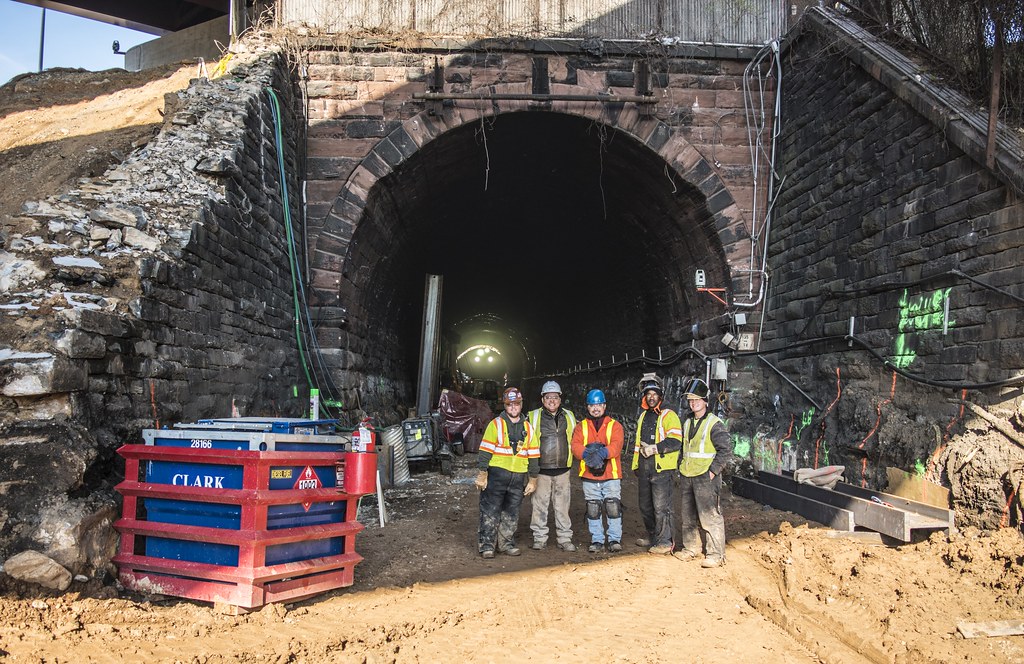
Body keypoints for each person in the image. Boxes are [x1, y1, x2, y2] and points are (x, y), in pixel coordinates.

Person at [475, 386, 540, 558]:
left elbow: (533, 454)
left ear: (521, 405)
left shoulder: (528, 428)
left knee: (511, 513)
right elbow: (485, 451)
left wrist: (533, 479)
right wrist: (483, 473)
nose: (513, 408)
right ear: (505, 406)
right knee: (490, 511)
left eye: (516, 404)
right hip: (497, 475)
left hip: (518, 477)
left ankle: (506, 543)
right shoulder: (495, 424)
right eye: (510, 404)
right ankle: (487, 546)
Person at [674, 378, 732, 568]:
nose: (693, 403)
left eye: (697, 400)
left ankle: (716, 554)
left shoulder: (714, 424)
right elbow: (685, 448)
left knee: (710, 517)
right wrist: (680, 467)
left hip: (706, 477)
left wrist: (713, 472)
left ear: (705, 401)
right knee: (688, 516)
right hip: (688, 475)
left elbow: (725, 450)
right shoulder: (687, 422)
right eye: (690, 400)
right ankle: (691, 548)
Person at [631, 376, 682, 554]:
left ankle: (665, 542)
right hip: (644, 468)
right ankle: (653, 536)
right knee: (646, 506)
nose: (651, 397)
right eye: (648, 394)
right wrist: (636, 465)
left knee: (662, 507)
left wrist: (655, 449)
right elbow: (638, 442)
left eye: (654, 394)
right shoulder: (643, 416)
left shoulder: (669, 415)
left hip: (661, 468)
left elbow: (676, 441)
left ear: (660, 396)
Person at [570, 389, 625, 553]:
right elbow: (575, 445)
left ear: (604, 405)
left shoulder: (615, 425)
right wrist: (586, 454)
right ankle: (597, 540)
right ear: (588, 407)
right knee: (593, 509)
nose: (596, 408)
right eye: (592, 405)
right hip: (589, 476)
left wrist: (602, 453)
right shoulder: (581, 427)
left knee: (612, 507)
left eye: (599, 404)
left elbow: (617, 444)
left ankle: (614, 539)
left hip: (611, 475)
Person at [526, 380, 578, 551]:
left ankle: (564, 538)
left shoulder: (569, 416)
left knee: (563, 506)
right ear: (542, 399)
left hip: (563, 469)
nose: (552, 400)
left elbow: (576, 438)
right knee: (539, 505)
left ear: (560, 399)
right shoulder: (533, 416)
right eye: (548, 397)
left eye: (555, 397)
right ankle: (539, 538)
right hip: (541, 470)